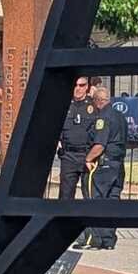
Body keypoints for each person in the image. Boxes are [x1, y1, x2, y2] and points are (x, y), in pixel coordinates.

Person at [83, 81, 130, 250]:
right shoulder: (120, 116)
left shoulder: (103, 118)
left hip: (103, 165)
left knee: (95, 201)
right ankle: (108, 240)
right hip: (118, 165)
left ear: (98, 101)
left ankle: (95, 239)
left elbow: (99, 145)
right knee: (112, 203)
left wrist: (88, 159)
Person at [56, 75, 96, 208]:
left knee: (89, 195)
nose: (78, 88)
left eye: (82, 85)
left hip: (87, 156)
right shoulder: (63, 104)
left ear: (87, 87)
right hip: (68, 156)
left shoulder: (93, 105)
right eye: (75, 85)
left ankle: (89, 221)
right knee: (65, 197)